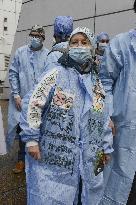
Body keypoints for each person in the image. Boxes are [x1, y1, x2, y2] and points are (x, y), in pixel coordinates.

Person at [20, 27, 113, 205]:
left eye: (84, 42)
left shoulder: (97, 84)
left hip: (90, 157)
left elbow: (103, 120)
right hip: (56, 156)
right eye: (74, 42)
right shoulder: (55, 74)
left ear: (92, 47)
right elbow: (32, 103)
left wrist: (106, 149)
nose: (79, 46)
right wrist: (31, 140)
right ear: (68, 47)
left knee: (89, 193)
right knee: (52, 195)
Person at [99, 1, 136, 204]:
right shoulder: (121, 43)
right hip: (120, 127)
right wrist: (108, 116)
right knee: (112, 180)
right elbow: (104, 82)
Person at [7, 25, 49, 173]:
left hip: (39, 103)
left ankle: (36, 162)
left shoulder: (48, 55)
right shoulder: (20, 52)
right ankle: (21, 160)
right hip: (21, 101)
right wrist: (16, 94)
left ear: (43, 38)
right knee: (22, 131)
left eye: (38, 36)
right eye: (32, 35)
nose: (34, 38)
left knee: (38, 131)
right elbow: (13, 74)